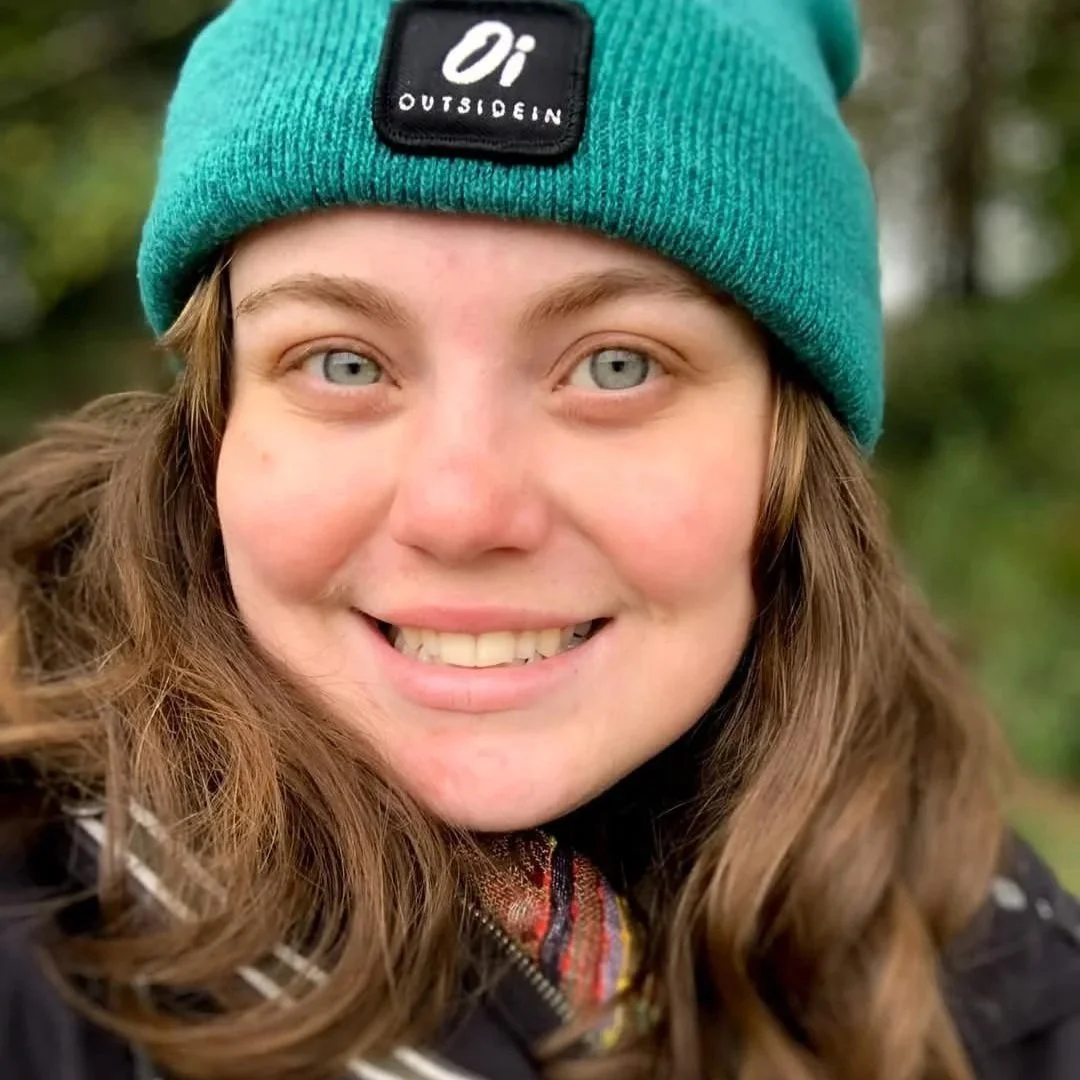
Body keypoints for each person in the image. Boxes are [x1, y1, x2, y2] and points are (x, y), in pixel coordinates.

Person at [1, 0, 1078, 1078]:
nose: (462, 513)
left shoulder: (1004, 983)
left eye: (617, 365)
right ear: (215, 428)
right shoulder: (38, 967)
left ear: (791, 451)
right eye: (342, 362)